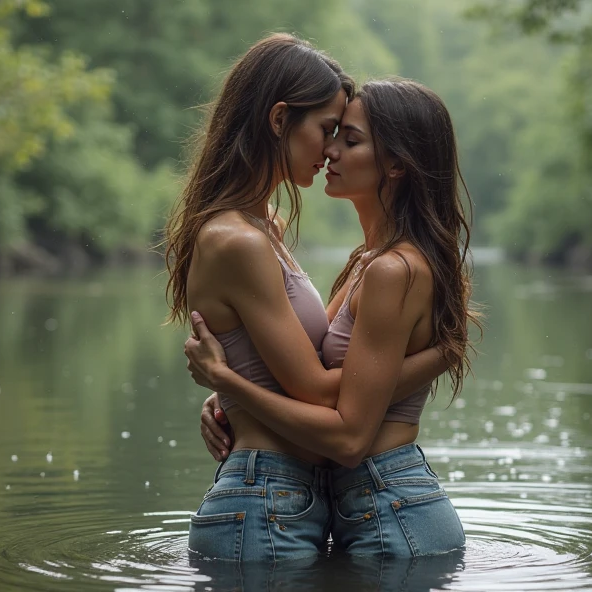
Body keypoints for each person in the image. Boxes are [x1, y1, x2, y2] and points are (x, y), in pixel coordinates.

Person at [164, 35, 447, 563]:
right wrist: (435, 358)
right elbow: (320, 393)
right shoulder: (239, 240)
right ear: (278, 121)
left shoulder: (265, 227)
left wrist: (235, 391)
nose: (330, 149)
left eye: (344, 136)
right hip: (265, 498)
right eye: (325, 130)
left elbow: (299, 370)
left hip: (289, 503)